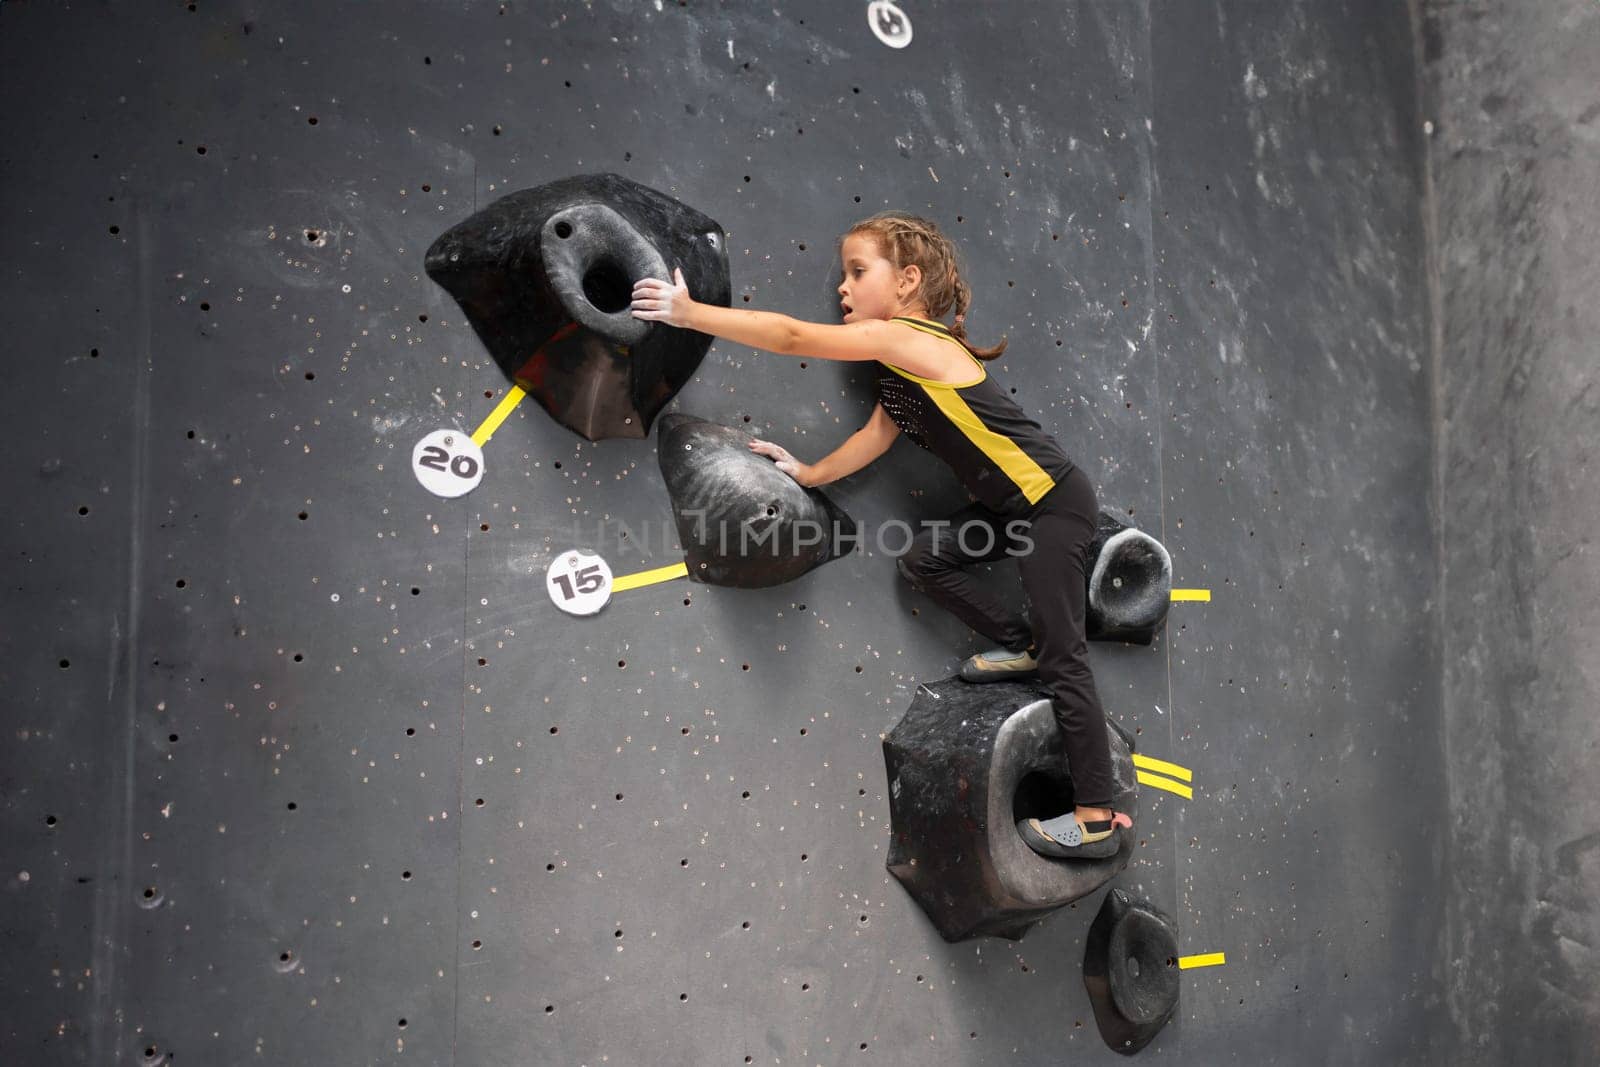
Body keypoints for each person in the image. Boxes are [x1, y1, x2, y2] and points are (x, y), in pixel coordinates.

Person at [630, 211, 1130, 860]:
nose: (843, 287)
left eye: (858, 272)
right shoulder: (898, 376)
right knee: (924, 561)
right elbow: (875, 438)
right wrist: (807, 471)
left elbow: (786, 335)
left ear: (908, 281)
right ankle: (1023, 642)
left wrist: (690, 312)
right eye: (843, 274)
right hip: (1013, 510)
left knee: (1069, 658)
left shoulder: (911, 341)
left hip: (1052, 506)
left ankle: (1097, 814)